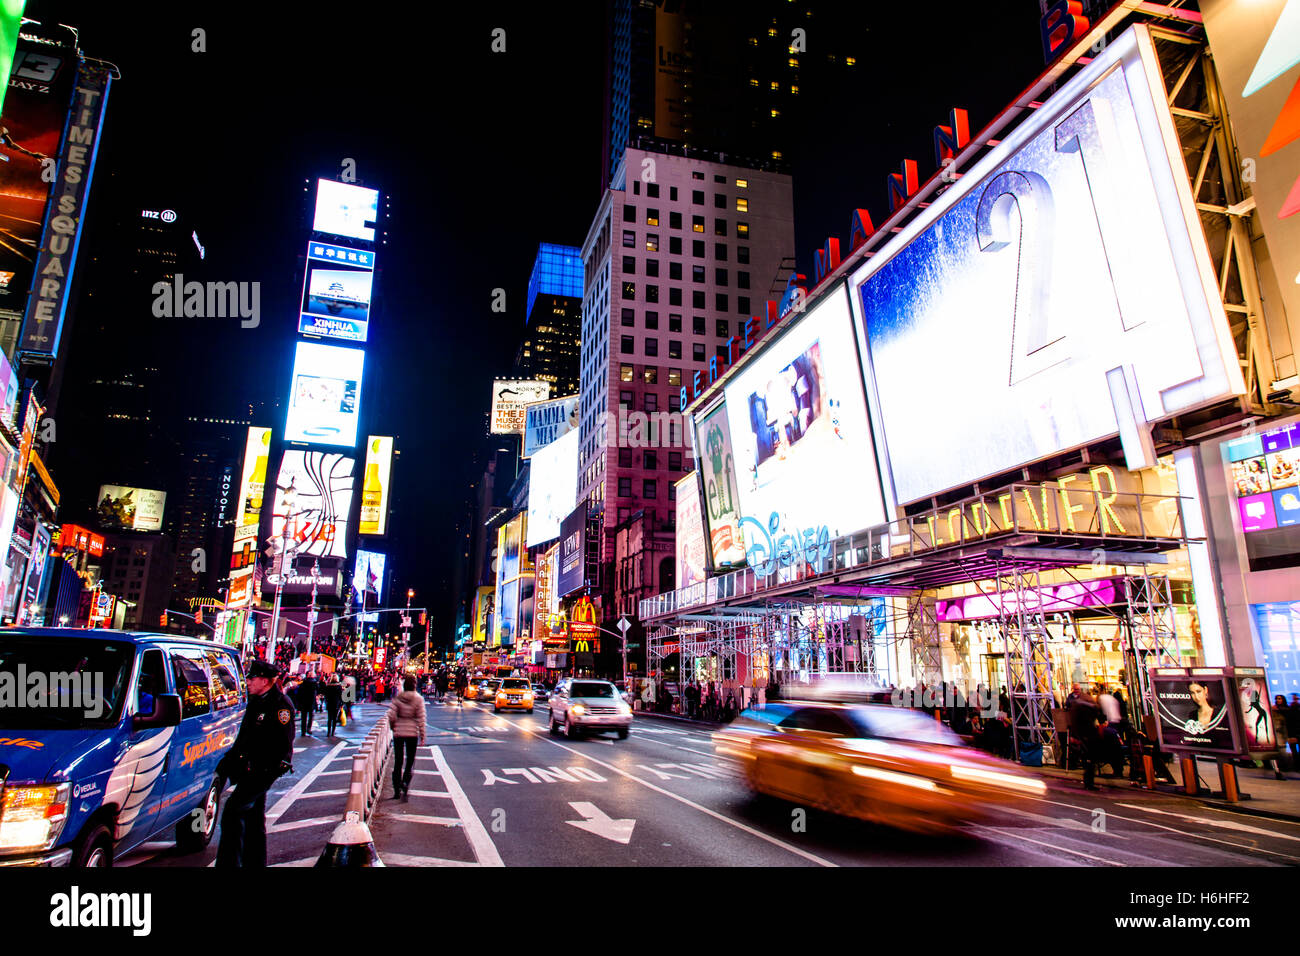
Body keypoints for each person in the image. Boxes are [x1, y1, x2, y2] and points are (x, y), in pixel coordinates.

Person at [215, 660, 296, 867]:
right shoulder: (256, 701)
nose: (248, 682)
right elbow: (245, 737)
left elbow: (284, 743)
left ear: (265, 680)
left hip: (264, 770)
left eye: (252, 678)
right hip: (249, 768)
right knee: (253, 820)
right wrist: (229, 762)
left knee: (233, 812)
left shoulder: (281, 705)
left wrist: (269, 768)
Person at [388, 676, 427, 801]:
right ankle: (405, 782)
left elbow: (391, 715)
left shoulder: (398, 697)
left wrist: (393, 727)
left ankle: (396, 789)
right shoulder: (418, 699)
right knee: (410, 761)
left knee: (398, 761)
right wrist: (422, 734)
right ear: (415, 685)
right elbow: (421, 718)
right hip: (412, 732)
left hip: (399, 732)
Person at [1068, 686, 1102, 791]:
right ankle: (1089, 783)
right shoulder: (1087, 710)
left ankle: (1088, 782)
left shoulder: (1076, 707)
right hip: (1087, 738)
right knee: (1090, 761)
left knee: (1088, 761)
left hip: (1083, 737)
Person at [297, 671, 318, 737]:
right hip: (311, 701)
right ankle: (309, 728)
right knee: (311, 716)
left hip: (304, 701)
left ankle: (303, 731)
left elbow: (299, 693)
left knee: (304, 717)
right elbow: (318, 691)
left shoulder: (303, 683)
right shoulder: (315, 683)